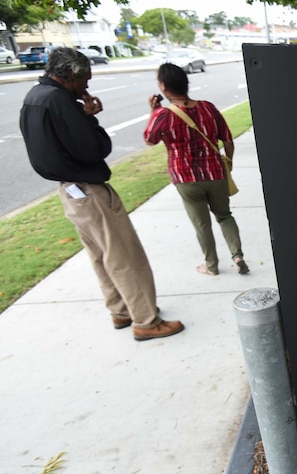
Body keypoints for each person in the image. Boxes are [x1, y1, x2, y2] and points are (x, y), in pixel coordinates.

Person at [19, 47, 184, 342]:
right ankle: (146, 321)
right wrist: (90, 117)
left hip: (69, 191)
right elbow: (96, 149)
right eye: (85, 80)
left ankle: (121, 310)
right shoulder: (61, 102)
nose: (87, 86)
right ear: (73, 74)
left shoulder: (34, 97)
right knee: (124, 255)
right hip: (90, 190)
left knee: (101, 254)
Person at [144, 63, 249, 276]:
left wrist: (153, 111)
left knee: (202, 224)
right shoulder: (208, 108)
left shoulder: (163, 115)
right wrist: (228, 162)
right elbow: (227, 140)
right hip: (215, 173)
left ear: (163, 86)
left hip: (185, 177)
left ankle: (211, 266)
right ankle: (237, 255)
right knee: (224, 215)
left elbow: (149, 139)